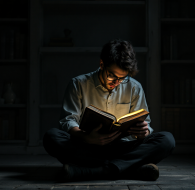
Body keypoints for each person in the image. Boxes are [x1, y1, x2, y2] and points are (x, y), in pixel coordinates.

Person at [43, 39, 175, 182]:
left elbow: (146, 124)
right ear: (101, 64)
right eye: (112, 75)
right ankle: (130, 168)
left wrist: (145, 131)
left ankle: (96, 171)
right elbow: (68, 121)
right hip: (89, 146)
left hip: (124, 147)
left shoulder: (134, 87)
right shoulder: (78, 84)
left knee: (167, 140)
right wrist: (86, 137)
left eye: (122, 78)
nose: (116, 82)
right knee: (52, 137)